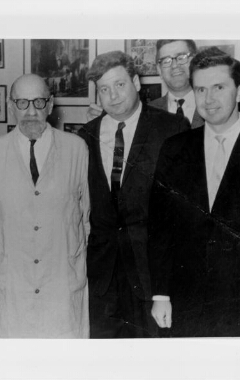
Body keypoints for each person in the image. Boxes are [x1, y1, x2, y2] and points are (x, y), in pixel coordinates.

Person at [148, 47, 240, 337]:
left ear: (239, 92)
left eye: (218, 87)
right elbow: (160, 228)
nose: (208, 99)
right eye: (200, 89)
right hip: (186, 303)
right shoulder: (175, 148)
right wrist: (160, 294)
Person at [77, 51, 189, 338]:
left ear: (137, 83)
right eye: (104, 89)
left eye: (119, 85)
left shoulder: (172, 128)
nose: (112, 96)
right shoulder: (84, 136)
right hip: (101, 277)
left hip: (152, 277)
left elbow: (180, 213)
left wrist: (167, 289)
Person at [0, 74, 90, 338]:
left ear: (50, 105)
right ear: (10, 106)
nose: (31, 112)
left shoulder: (77, 149)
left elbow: (85, 217)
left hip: (62, 289)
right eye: (22, 103)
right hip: (13, 288)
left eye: (38, 102)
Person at [86, 40, 240, 130]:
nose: (175, 65)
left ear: (195, 61)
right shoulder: (147, 110)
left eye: (182, 57)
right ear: (158, 69)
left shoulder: (233, 108)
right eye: (166, 60)